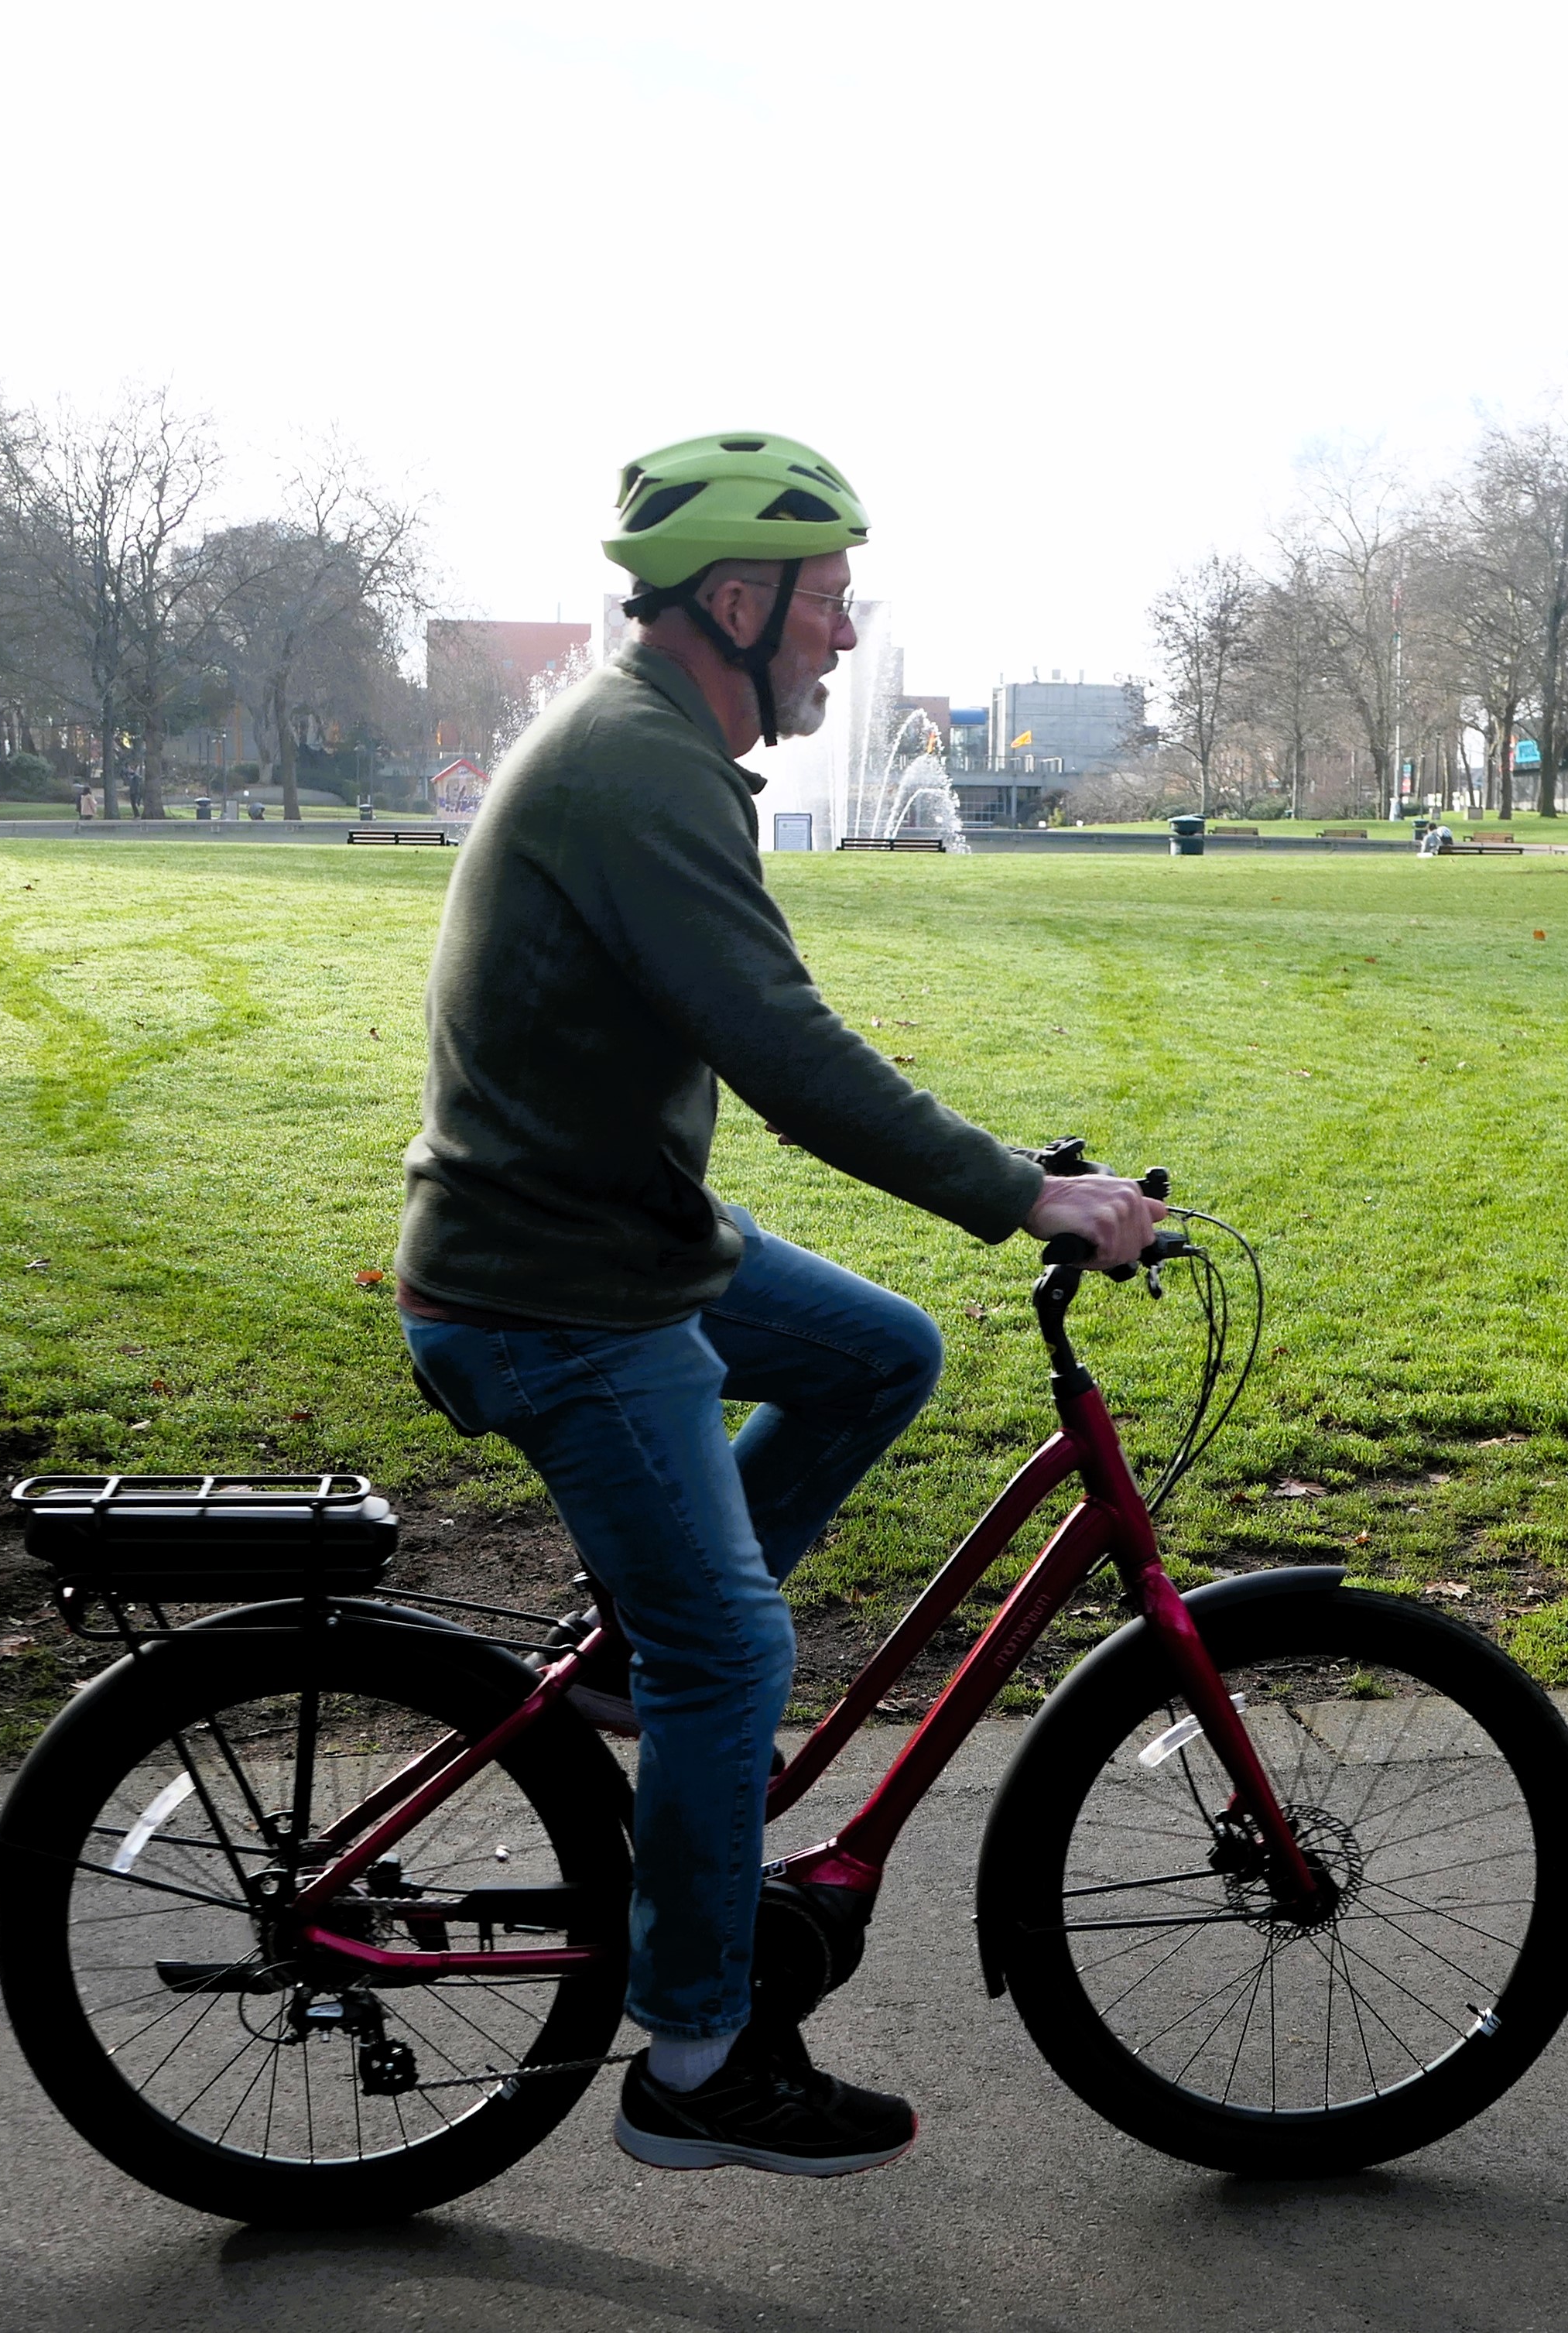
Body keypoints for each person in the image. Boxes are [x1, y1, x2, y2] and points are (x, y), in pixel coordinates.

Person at [392, 430, 1160, 2177]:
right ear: (734, 602)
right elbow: (782, 1044)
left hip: (619, 1233)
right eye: (825, 603)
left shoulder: (651, 746)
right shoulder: (634, 768)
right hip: (554, 1291)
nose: (841, 633)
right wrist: (1022, 1192)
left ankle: (620, 1684)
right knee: (734, 1646)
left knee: (879, 1354)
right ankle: (698, 2058)